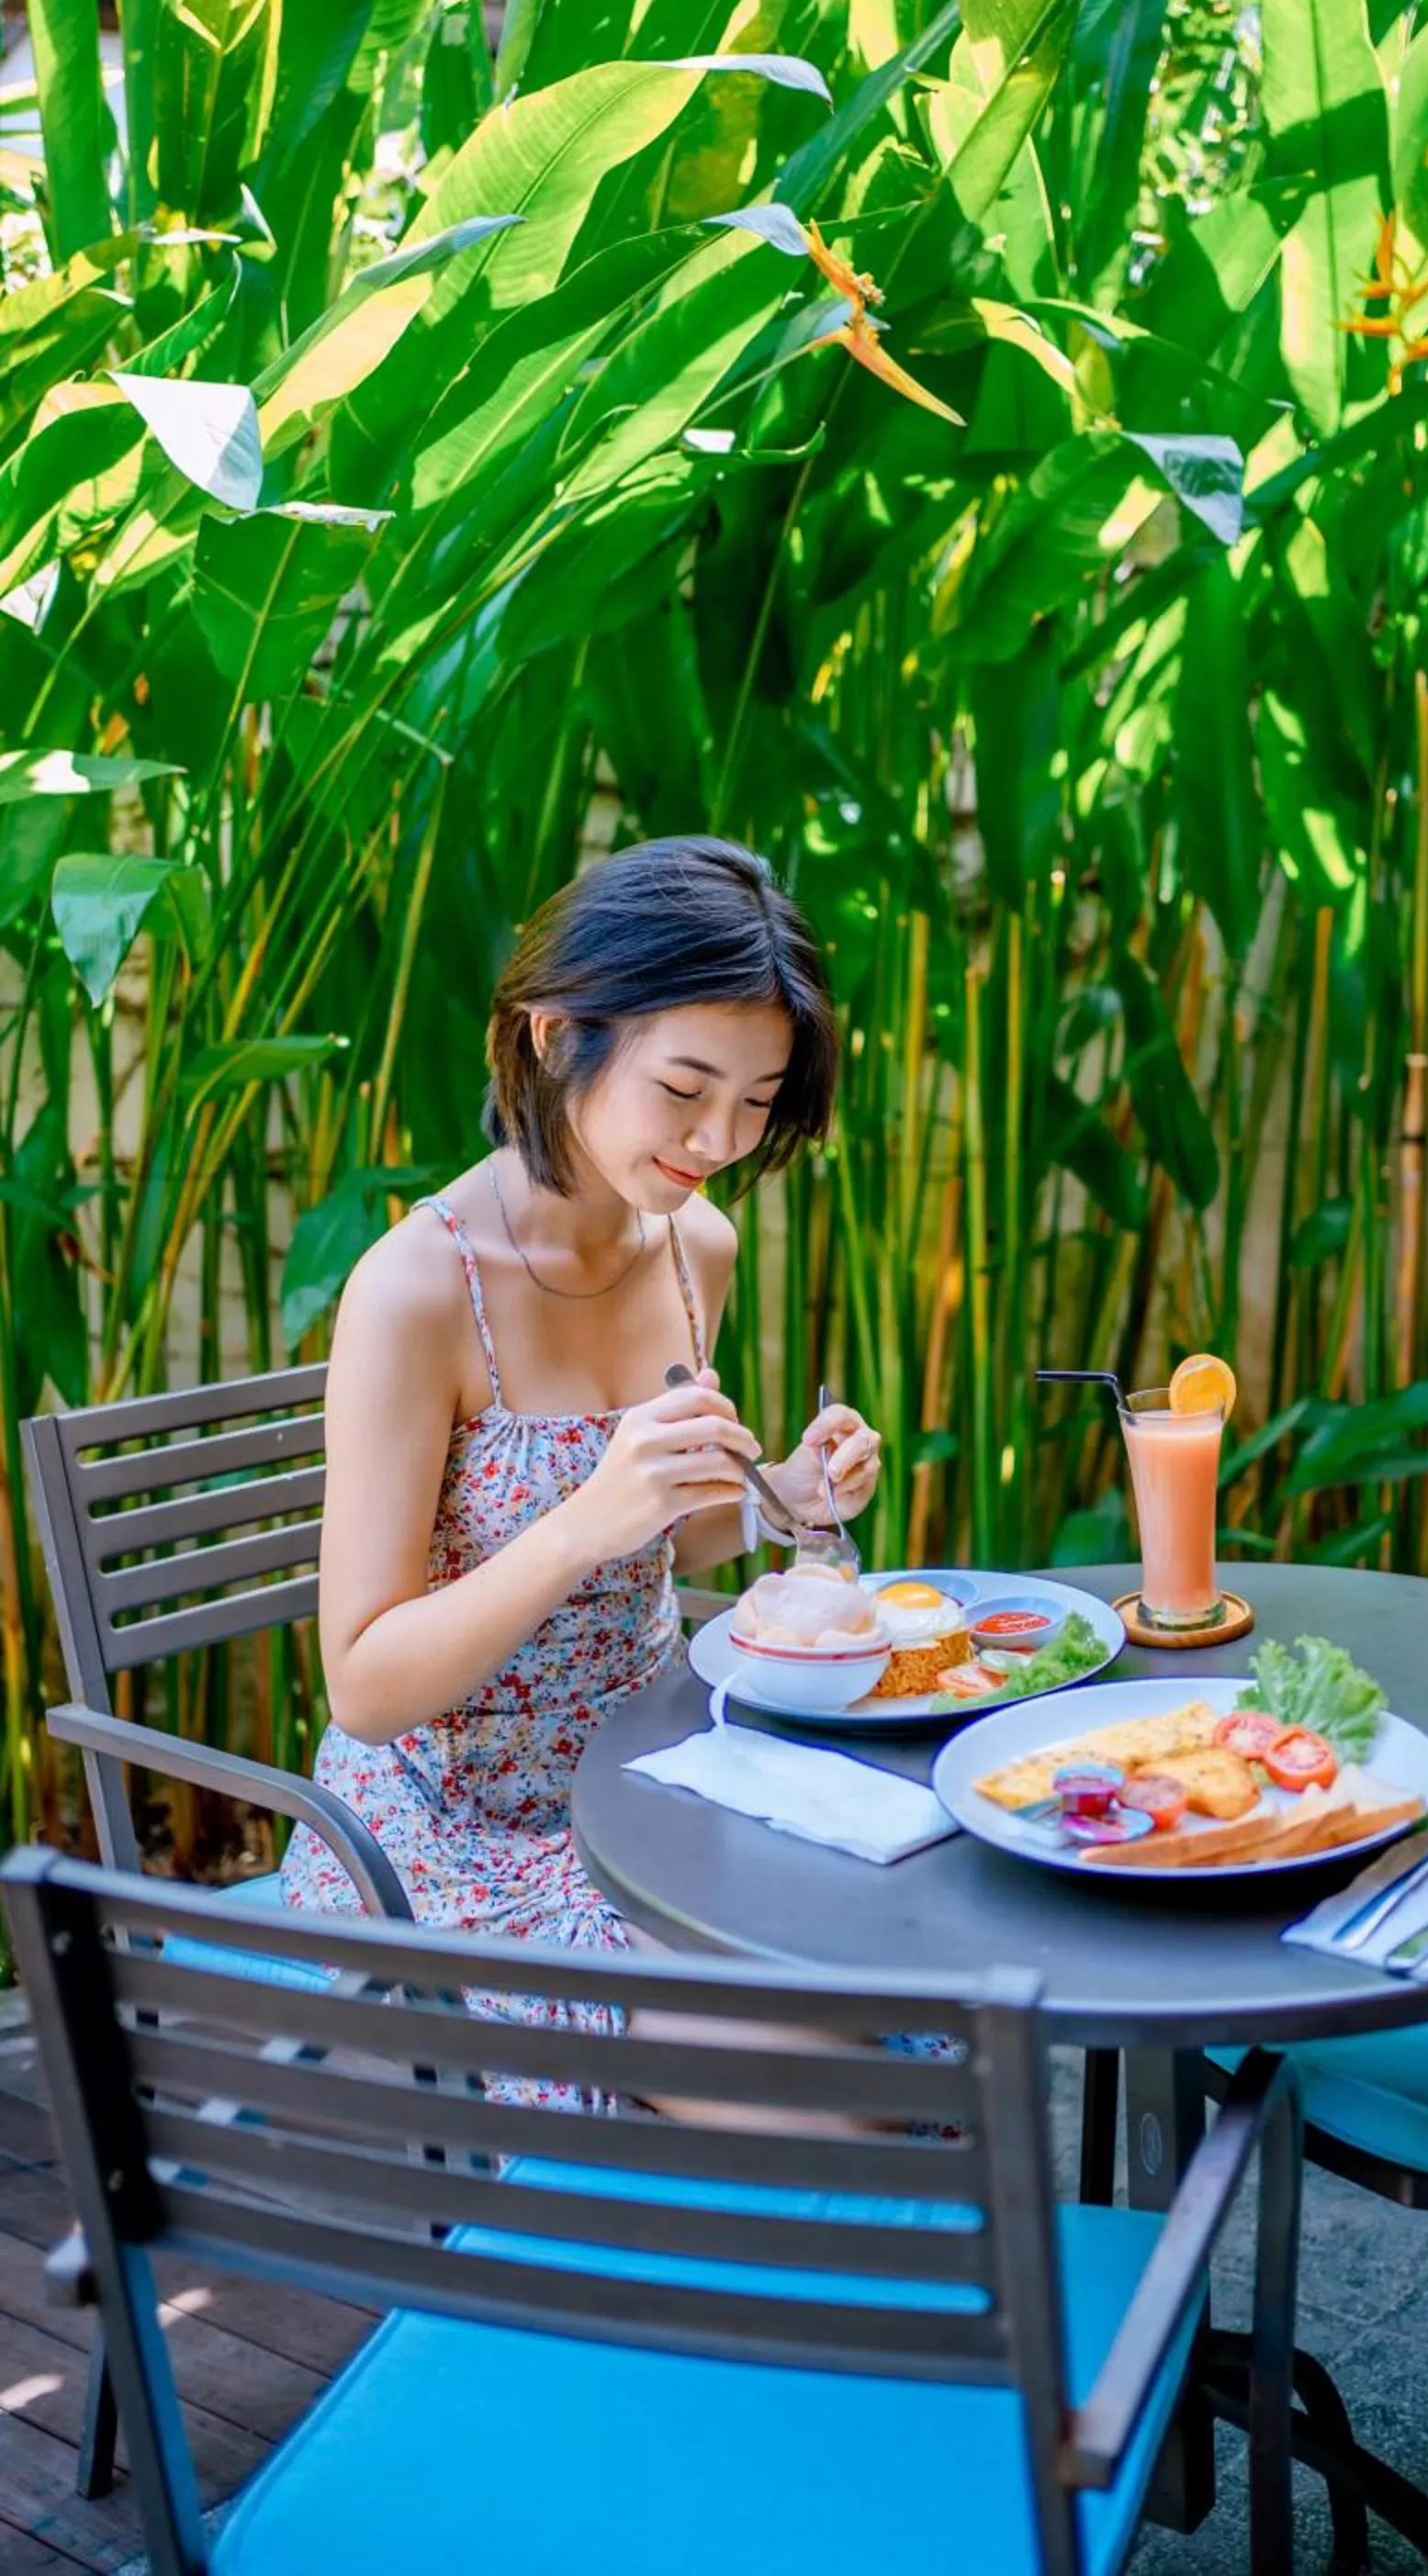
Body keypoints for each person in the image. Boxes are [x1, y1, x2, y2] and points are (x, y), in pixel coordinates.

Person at [280, 836, 882, 2100]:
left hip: (662, 1776)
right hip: (458, 1829)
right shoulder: (416, 1293)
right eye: (684, 1087)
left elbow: (676, 1539)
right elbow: (366, 1687)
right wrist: (580, 1524)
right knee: (832, 2097)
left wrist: (784, 1500)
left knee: (912, 2006)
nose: (720, 1137)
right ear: (558, 1038)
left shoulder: (693, 1247)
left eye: (759, 1099)